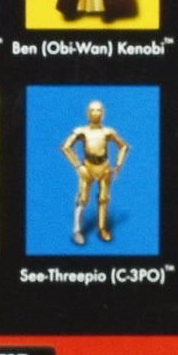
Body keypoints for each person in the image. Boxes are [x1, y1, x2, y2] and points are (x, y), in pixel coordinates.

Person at [59, 100, 130, 246]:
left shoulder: (108, 132)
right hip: (88, 167)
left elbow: (123, 146)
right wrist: (78, 166)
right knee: (83, 198)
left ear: (103, 113)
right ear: (88, 113)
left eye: (99, 110)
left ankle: (102, 228)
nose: (96, 113)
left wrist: (118, 164)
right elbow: (66, 147)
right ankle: (77, 230)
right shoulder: (82, 131)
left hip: (104, 167)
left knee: (104, 199)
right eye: (92, 110)